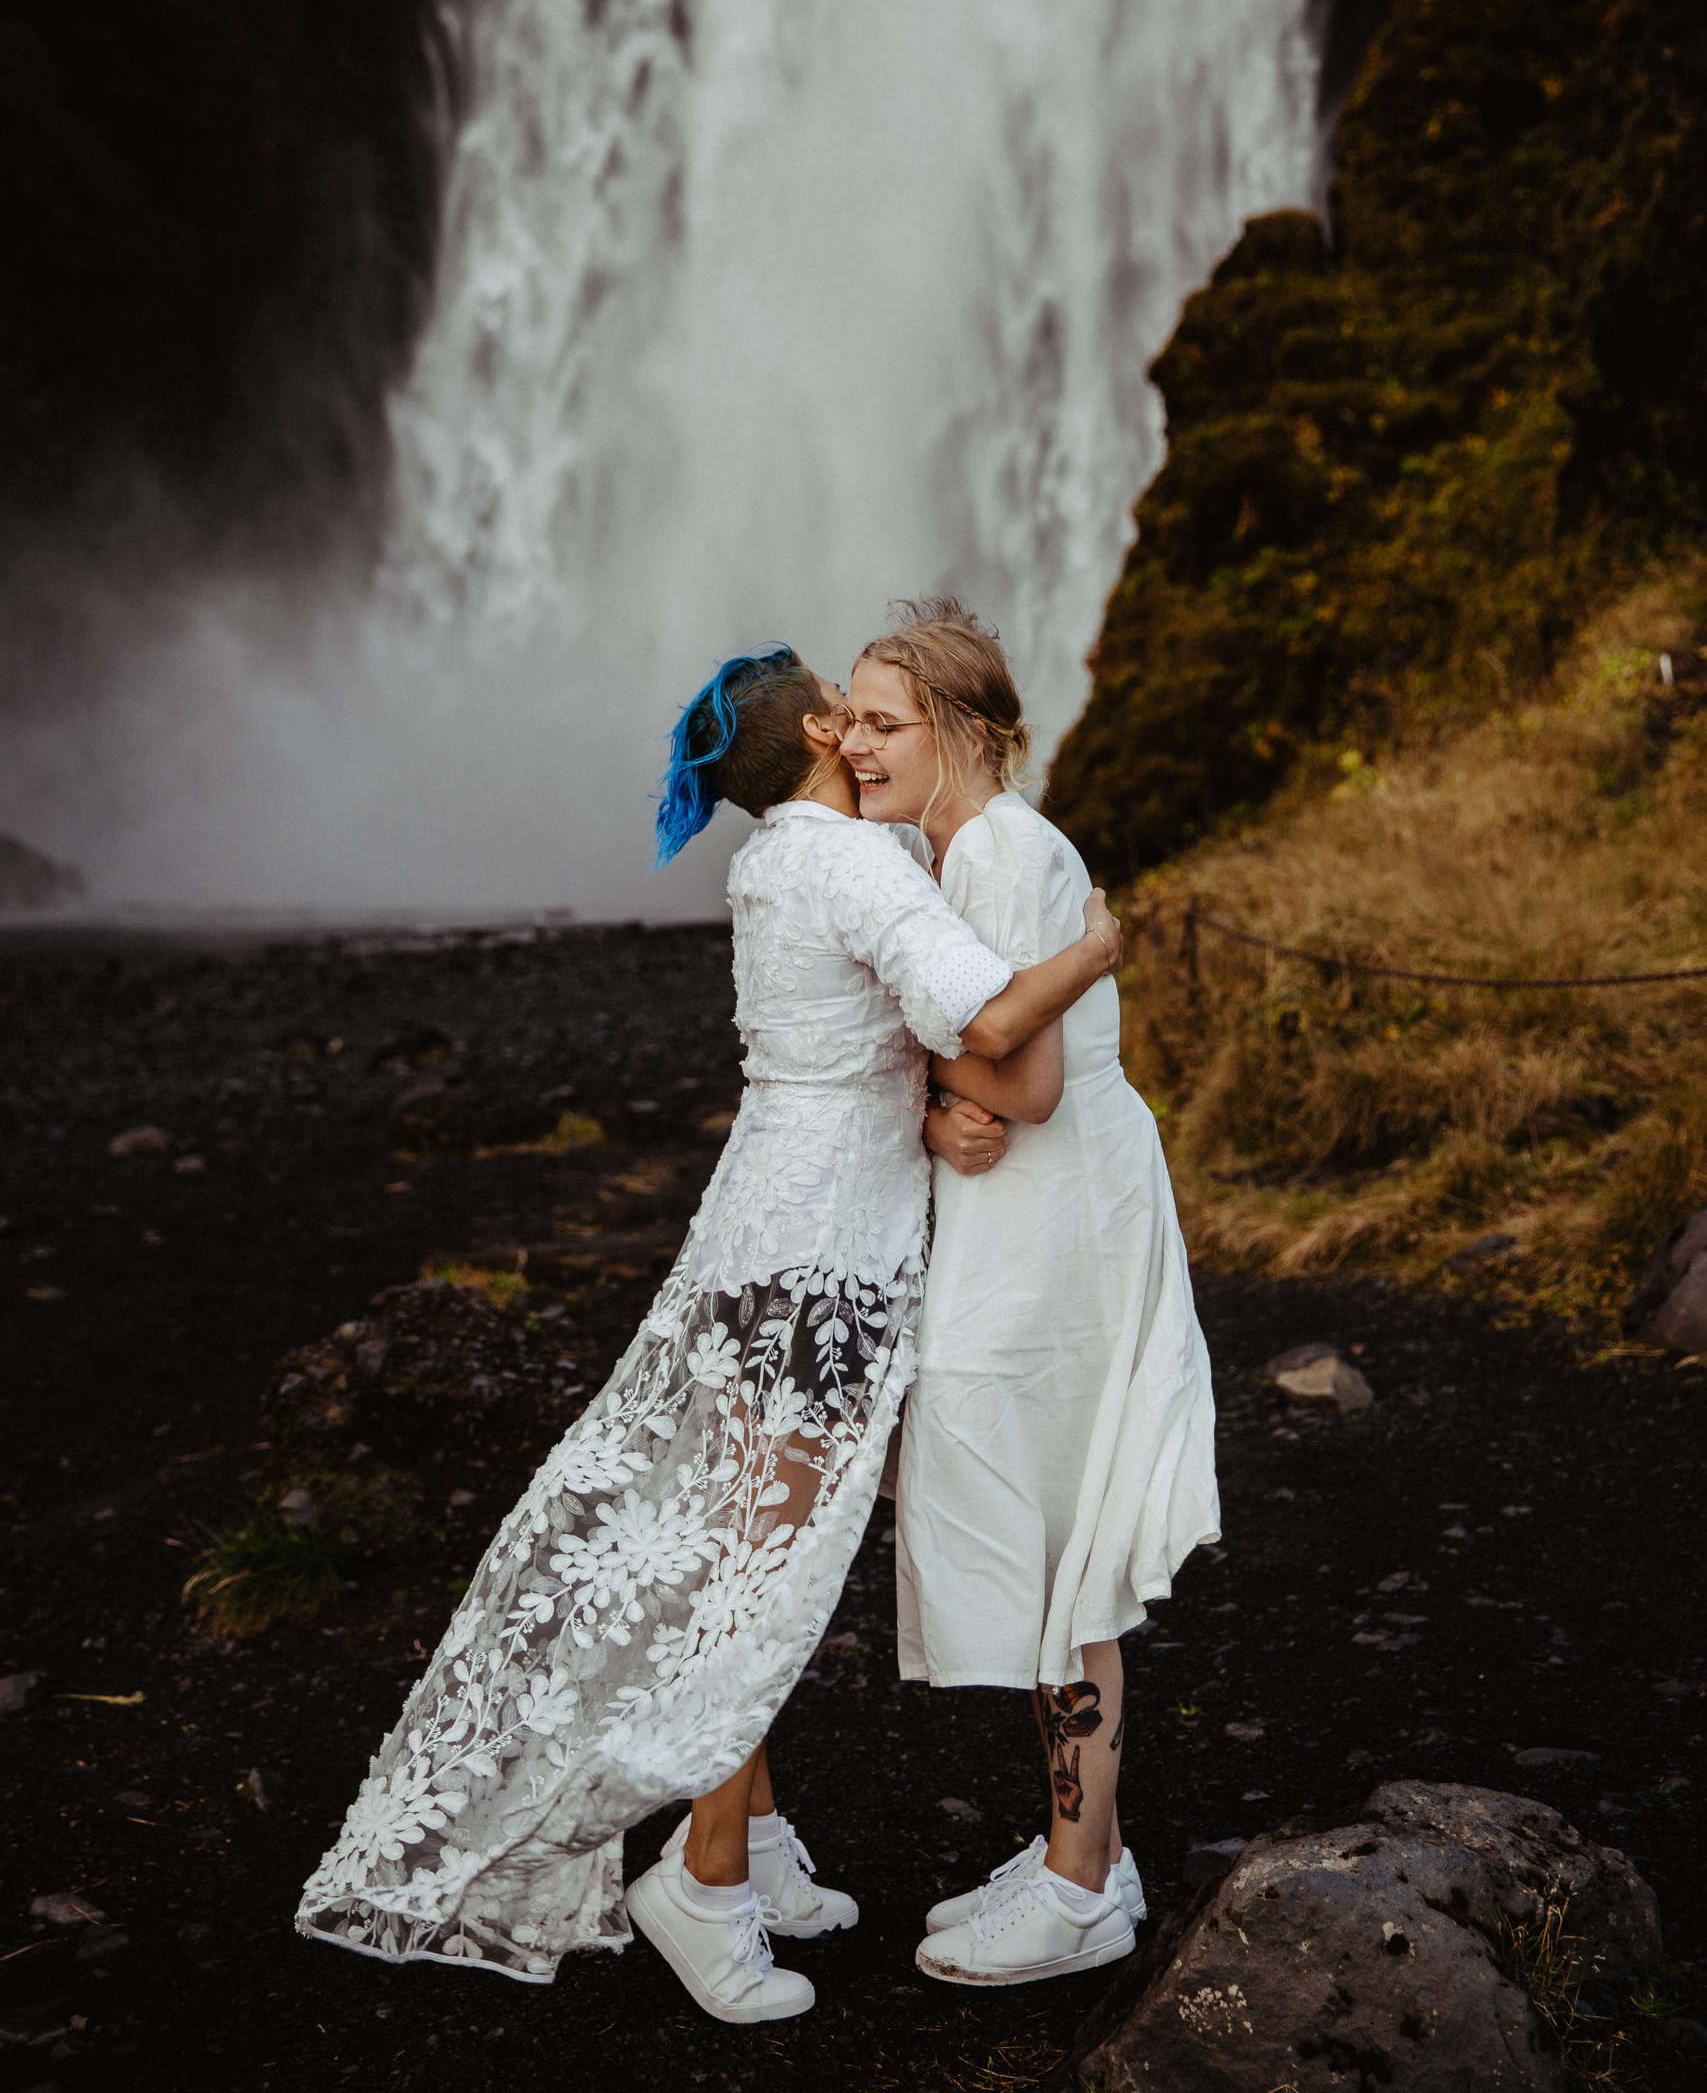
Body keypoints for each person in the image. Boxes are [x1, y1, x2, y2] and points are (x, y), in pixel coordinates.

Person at [296, 645, 1122, 2025]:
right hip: (825, 1265)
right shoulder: (859, 864)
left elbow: (854, 1051)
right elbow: (981, 1016)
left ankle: (766, 1845)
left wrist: (926, 1111)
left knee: (741, 1544)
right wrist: (1092, 949)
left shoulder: (771, 861)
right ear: (814, 728)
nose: (866, 737)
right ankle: (709, 1878)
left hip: (759, 1234)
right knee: (761, 1580)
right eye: (849, 715)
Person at [843, 599, 1220, 1989]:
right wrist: (942, 1109)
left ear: (957, 728)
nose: (857, 747)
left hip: (1058, 1218)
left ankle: (1080, 1890)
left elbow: (1030, 1082)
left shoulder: (1001, 853)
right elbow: (988, 1073)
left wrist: (940, 1092)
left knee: (1066, 1537)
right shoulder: (969, 846)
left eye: (884, 724)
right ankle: (1086, 1851)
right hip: (1043, 1202)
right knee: (1056, 1520)